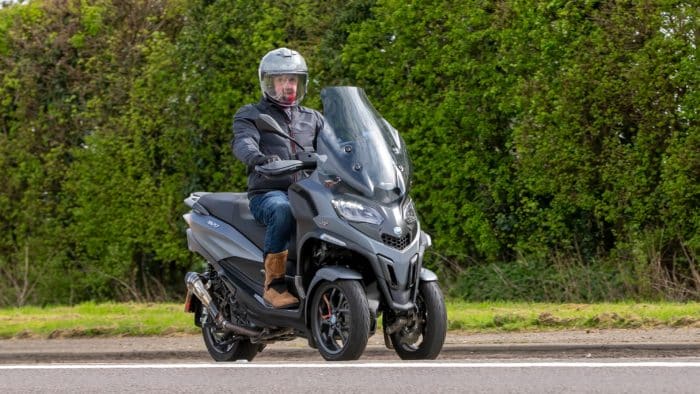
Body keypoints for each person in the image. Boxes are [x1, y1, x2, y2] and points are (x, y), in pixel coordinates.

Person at [231, 48, 325, 308]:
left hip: (309, 193)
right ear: (269, 82)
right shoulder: (252, 115)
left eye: (293, 79)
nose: (288, 85)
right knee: (282, 209)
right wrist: (259, 158)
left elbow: (337, 148)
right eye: (282, 79)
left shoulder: (314, 118)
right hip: (269, 193)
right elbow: (243, 142)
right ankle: (274, 285)